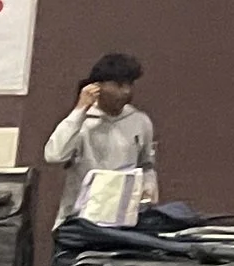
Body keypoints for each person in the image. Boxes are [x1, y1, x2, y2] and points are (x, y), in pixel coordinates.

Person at [42, 53, 157, 226]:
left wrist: (149, 188)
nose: (126, 91)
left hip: (123, 221)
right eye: (118, 85)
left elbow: (146, 165)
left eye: (129, 84)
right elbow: (54, 155)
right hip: (79, 220)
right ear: (97, 87)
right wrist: (80, 109)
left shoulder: (140, 121)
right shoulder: (81, 123)